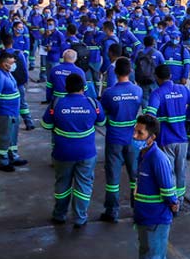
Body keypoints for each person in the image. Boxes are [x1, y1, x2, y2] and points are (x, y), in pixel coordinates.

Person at [122, 114, 180, 259]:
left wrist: (172, 207)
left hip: (155, 221)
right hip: (145, 220)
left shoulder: (158, 158)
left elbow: (169, 192)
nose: (135, 136)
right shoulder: (143, 155)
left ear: (151, 137)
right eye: (135, 131)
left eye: (140, 133)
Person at [43, 72, 104, 228]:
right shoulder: (92, 103)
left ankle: (59, 214)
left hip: (62, 153)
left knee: (62, 183)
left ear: (66, 87)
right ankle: (80, 217)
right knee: (84, 184)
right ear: (83, 87)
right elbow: (102, 121)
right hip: (86, 153)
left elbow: (46, 125)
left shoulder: (56, 103)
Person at [145, 63, 190, 203]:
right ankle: (180, 199)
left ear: (156, 78)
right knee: (181, 171)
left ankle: (171, 202)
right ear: (170, 76)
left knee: (168, 172)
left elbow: (150, 116)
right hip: (182, 139)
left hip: (166, 140)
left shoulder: (157, 94)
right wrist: (186, 115)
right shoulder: (183, 89)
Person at [99, 57, 143, 221]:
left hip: (114, 137)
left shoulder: (109, 93)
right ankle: (137, 207)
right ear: (130, 71)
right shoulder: (137, 91)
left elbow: (102, 118)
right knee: (135, 175)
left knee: (113, 176)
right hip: (133, 137)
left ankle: (112, 211)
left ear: (115, 72)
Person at [0, 51, 26, 172]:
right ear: (4, 64)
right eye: (11, 63)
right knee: (4, 137)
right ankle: (2, 161)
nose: (14, 65)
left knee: (12, 136)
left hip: (12, 111)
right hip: (4, 112)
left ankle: (13, 156)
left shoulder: (8, 73)